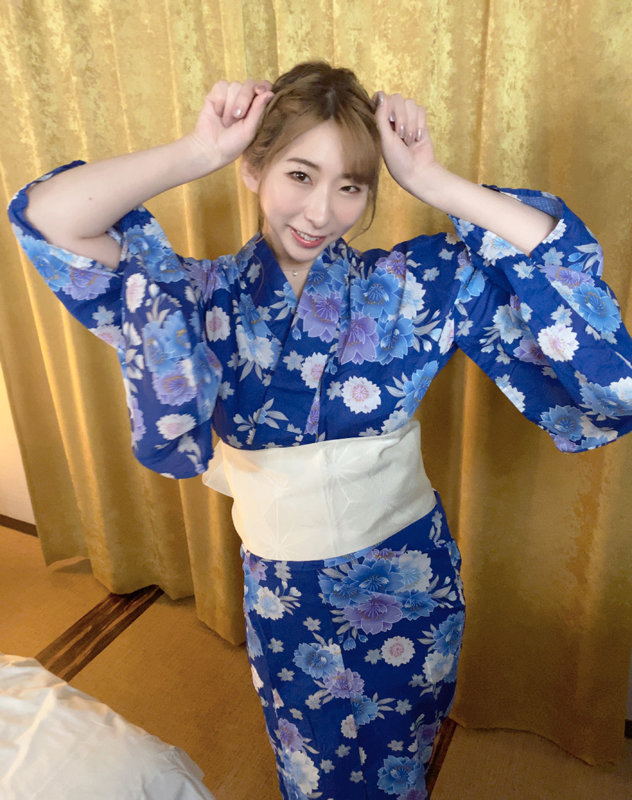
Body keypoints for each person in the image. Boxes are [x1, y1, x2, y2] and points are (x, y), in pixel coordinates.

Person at [8, 61, 632, 800]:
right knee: (310, 766)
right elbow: (48, 219)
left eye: (350, 186)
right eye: (300, 175)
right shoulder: (198, 298)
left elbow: (558, 265)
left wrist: (430, 180)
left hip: (409, 576)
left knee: (402, 758)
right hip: (286, 592)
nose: (320, 211)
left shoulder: (409, 285)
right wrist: (199, 150)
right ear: (254, 169)